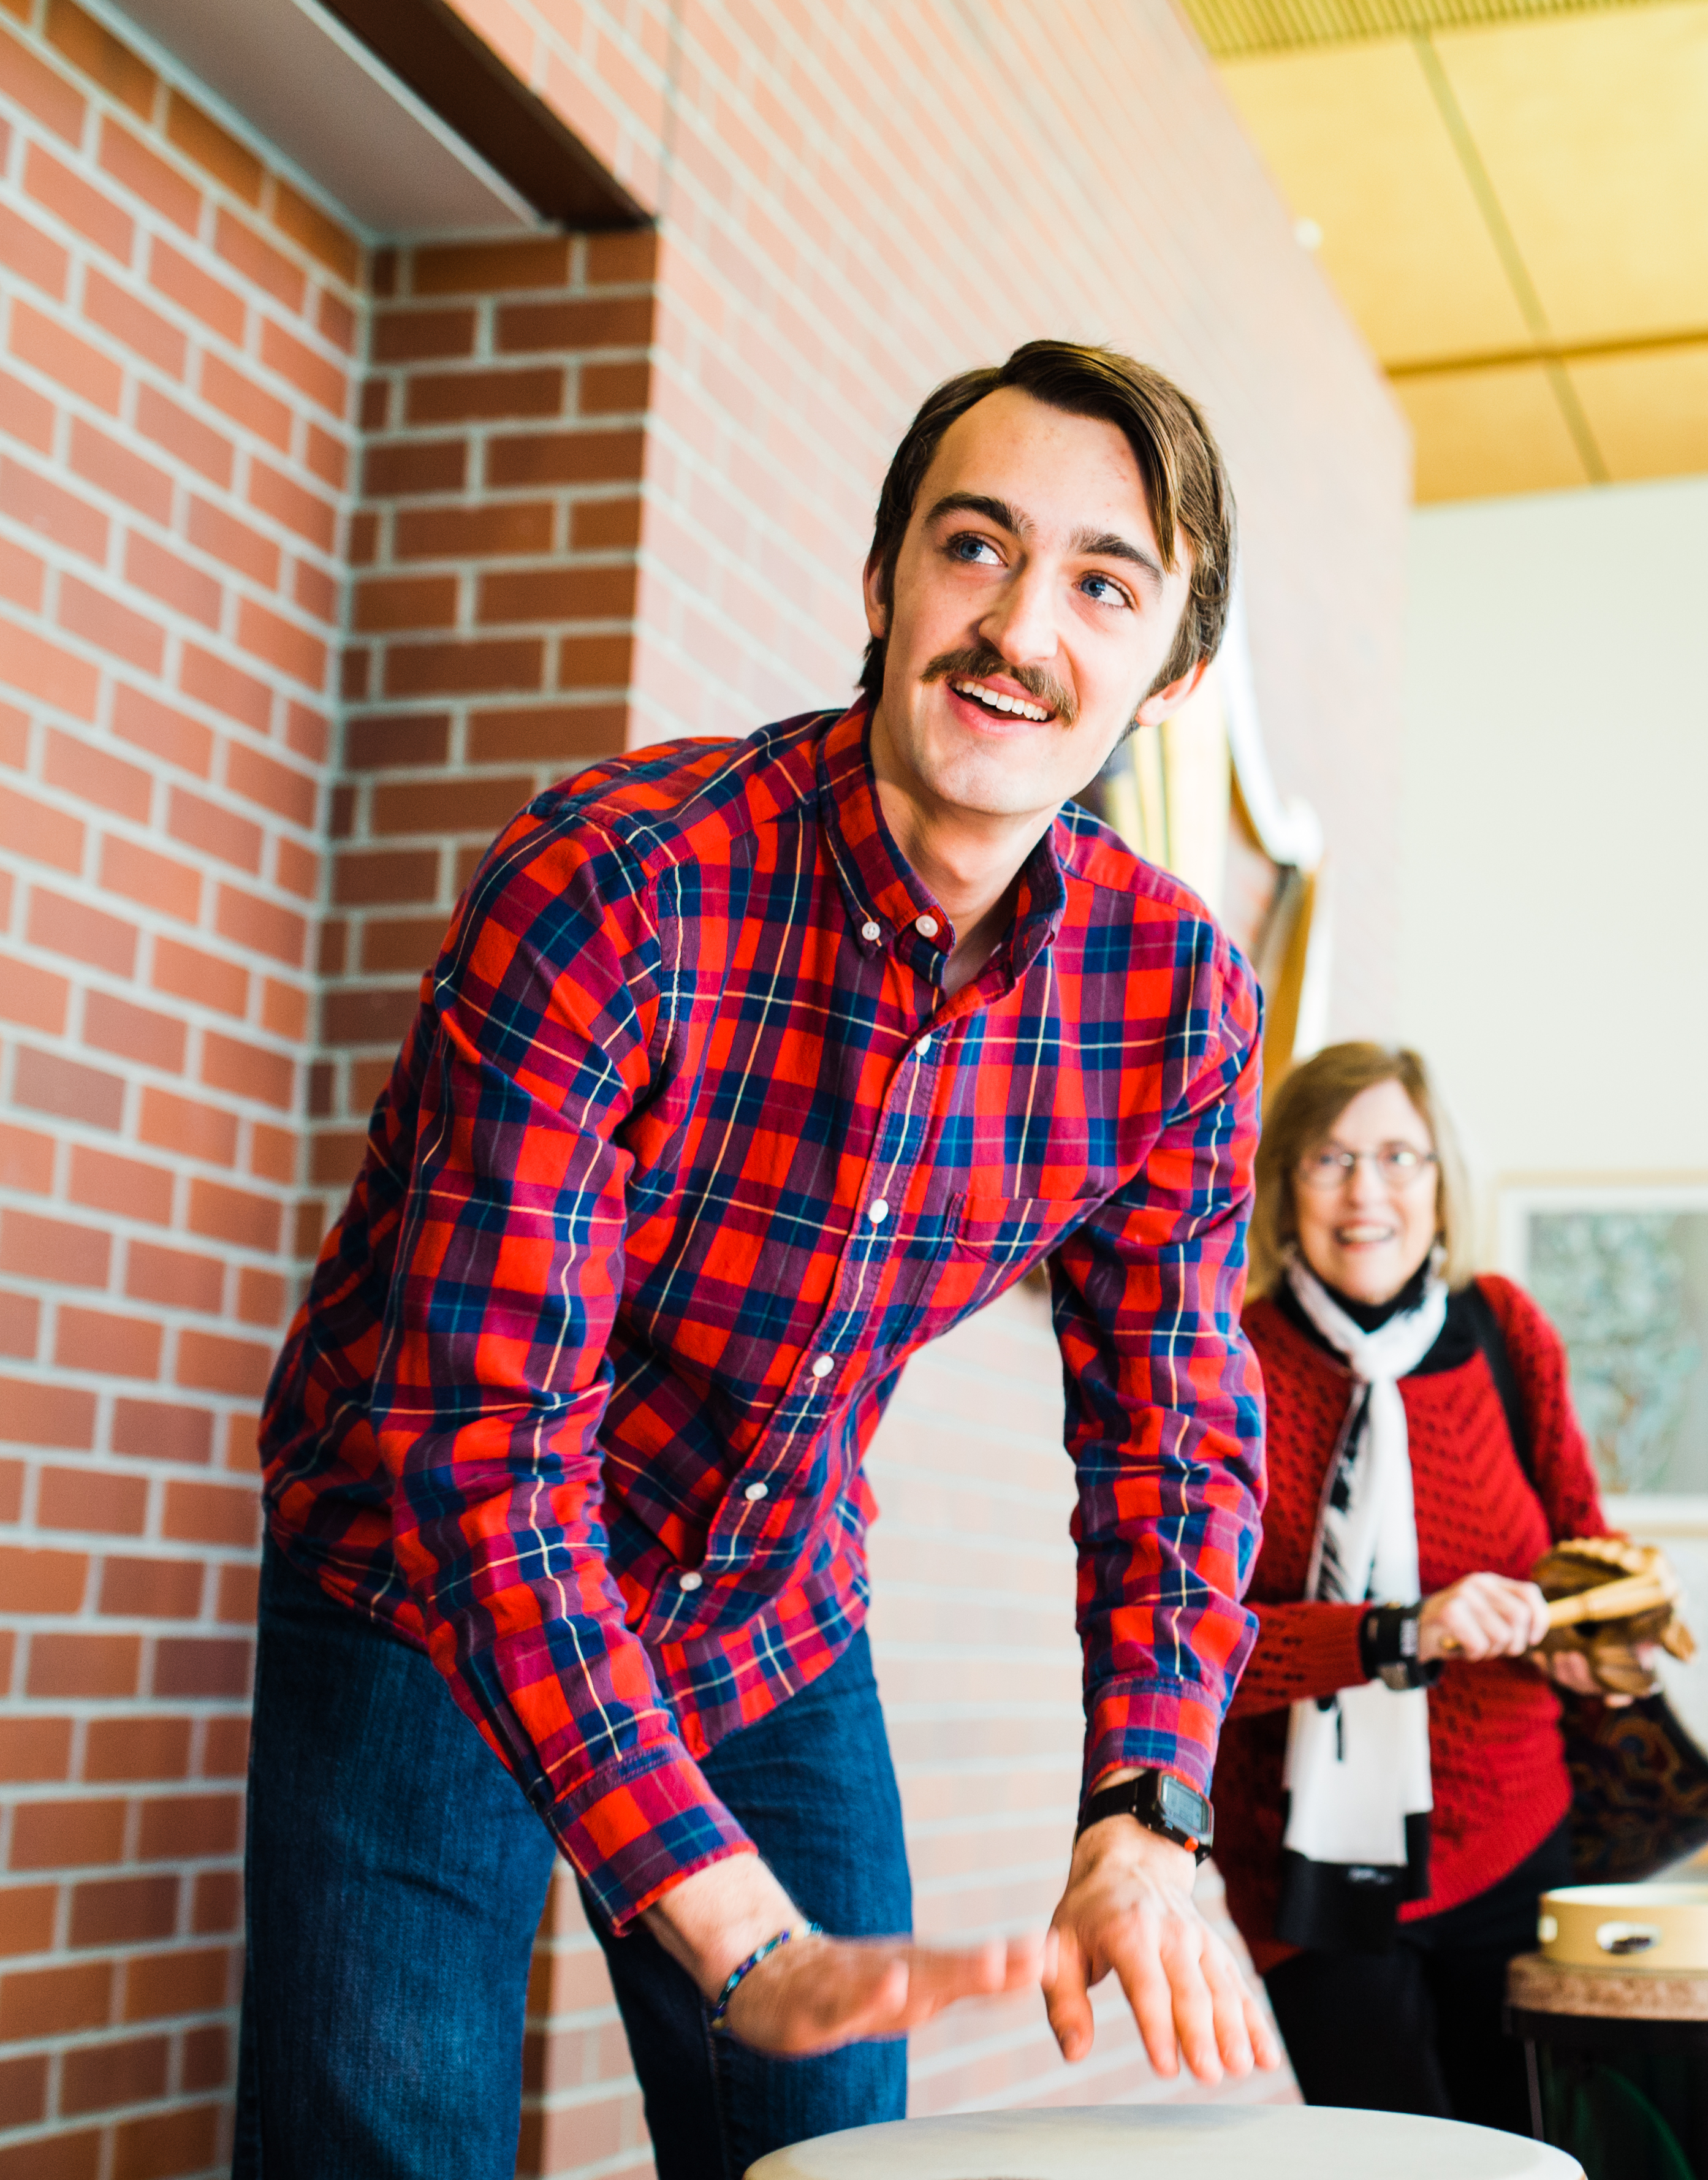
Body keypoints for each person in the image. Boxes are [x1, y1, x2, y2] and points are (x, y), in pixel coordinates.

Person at [237, 342, 1283, 2180]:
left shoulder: (1173, 994)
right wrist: (713, 1903)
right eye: (975, 547)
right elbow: (483, 1445)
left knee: (828, 2153)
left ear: (1174, 671)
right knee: (385, 2148)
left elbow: (1176, 1429)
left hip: (763, 1608)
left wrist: (1151, 1799)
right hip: (421, 1582)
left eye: (1104, 584)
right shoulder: (614, 884)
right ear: (881, 582)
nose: (1020, 627)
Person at [1210, 1041, 1618, 2133]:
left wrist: (1598, 1639)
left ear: (1443, 1183)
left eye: (1400, 1156)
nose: (1368, 1191)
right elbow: (1198, 1650)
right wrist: (1398, 1633)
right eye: (1330, 1159)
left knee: (1543, 2155)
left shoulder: (1504, 1330)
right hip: (1311, 1876)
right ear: (1281, 1183)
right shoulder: (1227, 1361)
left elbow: (1587, 1554)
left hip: (1516, 1842)